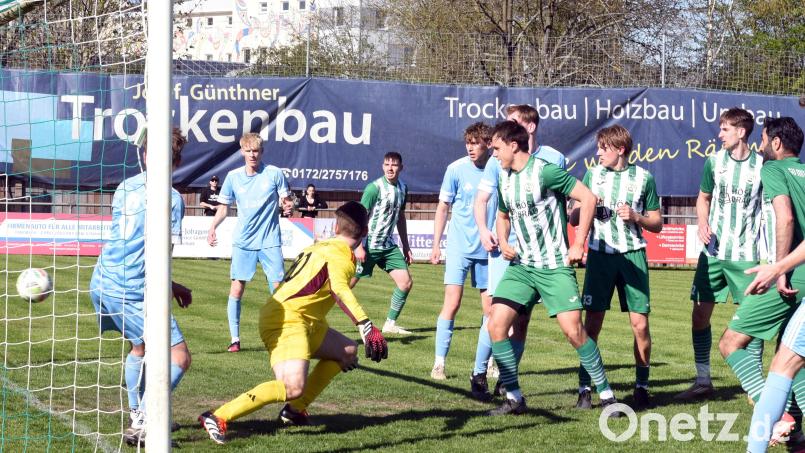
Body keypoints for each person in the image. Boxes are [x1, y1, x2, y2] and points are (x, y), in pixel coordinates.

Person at [199, 202, 389, 445]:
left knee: (347, 352)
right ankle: (217, 416)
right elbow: (340, 290)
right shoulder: (341, 257)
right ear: (364, 232)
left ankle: (294, 411)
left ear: (335, 226)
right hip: (287, 320)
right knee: (292, 386)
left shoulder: (321, 246)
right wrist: (366, 325)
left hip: (302, 319)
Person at [485, 120, 619, 416]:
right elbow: (503, 214)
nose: (492, 154)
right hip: (522, 266)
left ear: (513, 145)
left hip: (554, 266)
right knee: (496, 324)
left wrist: (578, 243)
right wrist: (504, 240)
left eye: (496, 148)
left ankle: (608, 396)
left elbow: (588, 198)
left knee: (574, 332)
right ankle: (514, 397)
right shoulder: (503, 177)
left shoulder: (544, 171)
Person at [89, 127, 193, 446]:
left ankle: (139, 415)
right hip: (132, 289)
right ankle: (146, 421)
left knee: (140, 347)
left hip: (104, 279)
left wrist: (172, 285)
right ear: (176, 161)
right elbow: (161, 253)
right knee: (179, 357)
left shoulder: (125, 187)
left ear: (146, 155)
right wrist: (170, 283)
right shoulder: (172, 199)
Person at [675, 107, 769, 402]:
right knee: (699, 315)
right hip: (713, 254)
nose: (719, 134)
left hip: (746, 256)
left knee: (751, 322)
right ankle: (703, 379)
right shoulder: (713, 162)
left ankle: (754, 387)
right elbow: (703, 198)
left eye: (725, 129)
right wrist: (702, 222)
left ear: (741, 132)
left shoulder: (763, 167)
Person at [473, 104, 566, 394]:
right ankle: (478, 374)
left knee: (522, 321)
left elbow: (564, 203)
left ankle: (506, 379)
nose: (504, 125)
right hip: (506, 249)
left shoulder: (553, 159)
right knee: (495, 311)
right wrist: (489, 233)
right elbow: (483, 201)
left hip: (539, 256)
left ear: (529, 127)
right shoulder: (497, 159)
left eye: (511, 121)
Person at [569, 125, 662, 411]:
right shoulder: (592, 175)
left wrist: (636, 216)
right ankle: (584, 388)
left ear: (620, 150)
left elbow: (657, 224)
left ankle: (642, 387)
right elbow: (574, 217)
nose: (597, 153)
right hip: (600, 257)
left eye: (602, 148)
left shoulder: (644, 178)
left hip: (633, 256)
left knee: (640, 325)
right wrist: (584, 210)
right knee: (592, 324)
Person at [742, 117, 805, 453]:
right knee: (793, 358)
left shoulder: (773, 170)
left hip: (796, 276)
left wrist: (779, 269)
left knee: (734, 343)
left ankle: (778, 431)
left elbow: (786, 217)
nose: (760, 145)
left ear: (776, 143)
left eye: (763, 139)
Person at [207, 133, 294, 353]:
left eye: (256, 150)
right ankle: (235, 339)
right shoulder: (233, 177)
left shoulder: (274, 173)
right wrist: (212, 227)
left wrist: (288, 206)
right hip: (243, 242)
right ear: (242, 152)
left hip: (270, 241)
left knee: (279, 290)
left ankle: (283, 336)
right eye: (248, 150)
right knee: (236, 289)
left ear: (261, 152)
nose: (252, 154)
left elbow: (286, 200)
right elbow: (224, 208)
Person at [428, 122, 496, 401]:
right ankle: (439, 362)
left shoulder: (498, 169)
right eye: (468, 142)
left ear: (488, 144)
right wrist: (435, 245)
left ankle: (488, 362)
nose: (470, 147)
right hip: (458, 246)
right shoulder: (455, 169)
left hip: (489, 249)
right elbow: (443, 206)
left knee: (491, 310)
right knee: (452, 303)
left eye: (476, 142)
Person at [350, 152, 414, 334]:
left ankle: (390, 324)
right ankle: (315, 317)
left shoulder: (403, 188)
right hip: (369, 245)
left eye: (394, 165)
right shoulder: (374, 188)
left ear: (401, 167)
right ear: (382, 166)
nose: (390, 168)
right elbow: (360, 217)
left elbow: (400, 217)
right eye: (387, 164)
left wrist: (406, 246)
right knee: (346, 286)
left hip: (388, 246)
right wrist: (358, 246)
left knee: (406, 282)